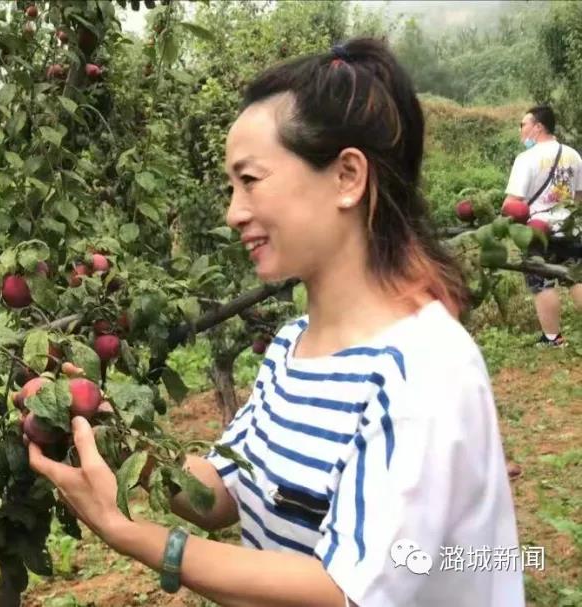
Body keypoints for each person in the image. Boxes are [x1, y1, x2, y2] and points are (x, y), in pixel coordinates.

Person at [27, 39, 524, 606]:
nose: (234, 210)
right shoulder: (291, 348)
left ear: (346, 177)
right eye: (230, 187)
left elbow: (347, 592)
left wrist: (133, 536)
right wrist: (107, 431)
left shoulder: (424, 367)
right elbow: (216, 496)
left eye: (250, 180)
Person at [503, 104, 582, 347]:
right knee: (577, 278)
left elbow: (513, 202)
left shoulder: (526, 158)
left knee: (541, 283)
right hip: (571, 227)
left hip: (538, 230)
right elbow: (579, 196)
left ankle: (553, 339)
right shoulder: (573, 155)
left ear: (538, 127)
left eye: (523, 124)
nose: (521, 130)